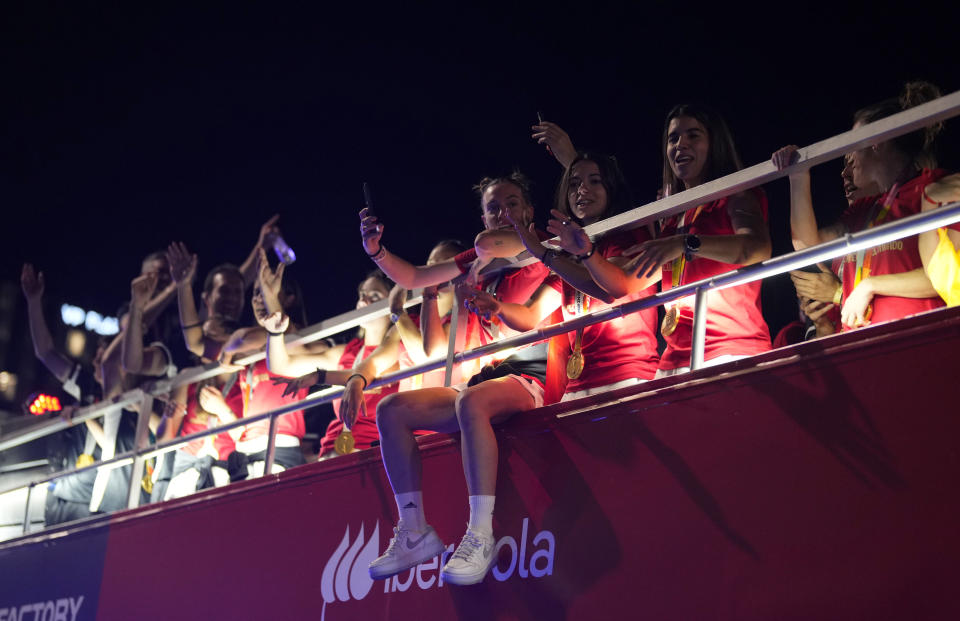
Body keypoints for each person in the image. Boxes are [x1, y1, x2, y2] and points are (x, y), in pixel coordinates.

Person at [354, 173, 554, 586]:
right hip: (487, 378)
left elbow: (529, 312)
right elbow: (411, 277)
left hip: (532, 372)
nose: (503, 213)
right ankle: (414, 532)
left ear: (529, 210)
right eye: (493, 207)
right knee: (391, 409)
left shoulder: (544, 249)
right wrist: (377, 251)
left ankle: (480, 531)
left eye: (512, 204)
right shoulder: (477, 261)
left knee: (470, 402)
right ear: (481, 215)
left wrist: (495, 300)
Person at [554, 105, 772, 376]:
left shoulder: (736, 196)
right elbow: (622, 285)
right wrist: (579, 254)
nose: (681, 145)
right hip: (672, 363)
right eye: (673, 139)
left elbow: (757, 247)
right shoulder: (670, 219)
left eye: (693, 136)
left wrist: (686, 243)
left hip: (730, 349)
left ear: (714, 144)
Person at [481, 152, 660, 400]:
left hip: (626, 374)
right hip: (578, 383)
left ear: (612, 187)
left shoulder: (628, 234)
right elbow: (531, 315)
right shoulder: (568, 256)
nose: (582, 190)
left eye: (594, 181)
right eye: (574, 184)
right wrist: (498, 307)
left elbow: (609, 290)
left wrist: (547, 254)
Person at [772, 82, 948, 329]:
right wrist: (798, 176)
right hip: (861, 341)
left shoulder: (933, 188)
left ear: (876, 141)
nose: (850, 159)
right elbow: (806, 245)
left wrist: (871, 285)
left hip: (917, 335)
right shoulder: (865, 210)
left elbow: (946, 276)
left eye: (853, 143)